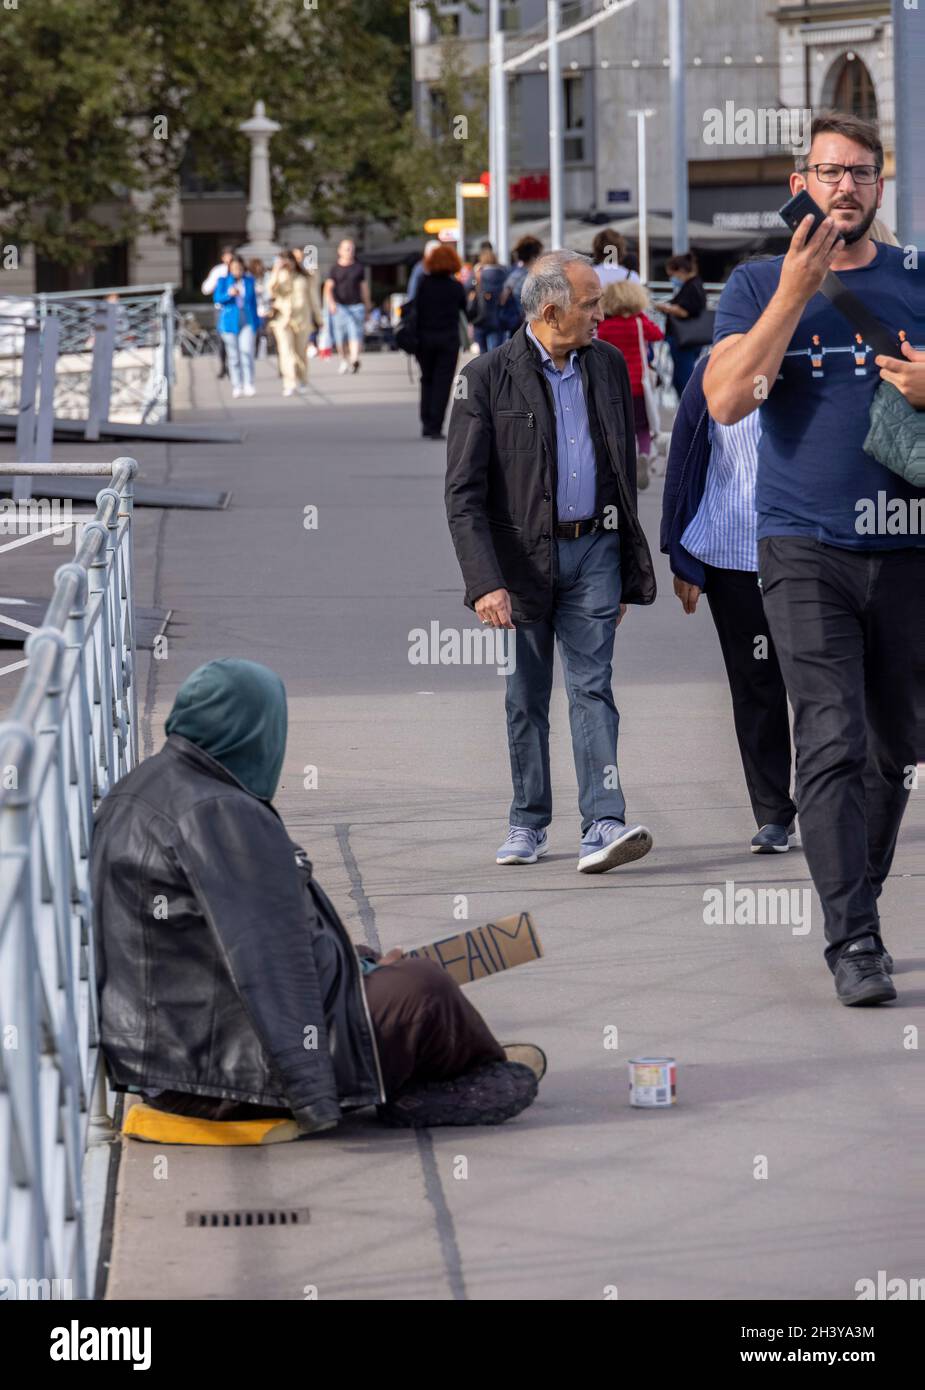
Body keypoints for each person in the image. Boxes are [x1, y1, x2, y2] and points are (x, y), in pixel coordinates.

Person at [90, 659, 544, 1132]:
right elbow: (265, 965)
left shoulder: (144, 786)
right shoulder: (221, 811)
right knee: (425, 989)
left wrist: (352, 963)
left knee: (387, 967)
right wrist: (311, 1095)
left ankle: (423, 1056)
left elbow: (237, 941)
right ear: (255, 732)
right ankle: (467, 1075)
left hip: (168, 1065)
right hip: (226, 1081)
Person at [703, 109, 925, 1006]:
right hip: (801, 545)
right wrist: (795, 292)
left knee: (893, 749)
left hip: (908, 546)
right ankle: (854, 939)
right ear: (801, 182)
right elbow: (726, 401)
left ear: (880, 185)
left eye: (861, 173)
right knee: (827, 736)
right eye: (829, 172)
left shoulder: (914, 277)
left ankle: (853, 898)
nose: (845, 186)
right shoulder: (755, 284)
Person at [446, 250, 657, 872]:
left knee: (593, 686)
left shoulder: (608, 364)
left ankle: (604, 821)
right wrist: (485, 581)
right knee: (525, 695)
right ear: (550, 311)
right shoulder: (485, 377)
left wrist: (620, 562)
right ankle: (528, 822)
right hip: (520, 561)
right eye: (591, 303)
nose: (602, 312)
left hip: (595, 549)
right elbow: (462, 494)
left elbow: (621, 468)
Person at [661, 354, 798, 853]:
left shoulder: (821, 357)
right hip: (733, 556)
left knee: (823, 687)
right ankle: (773, 813)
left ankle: (829, 799)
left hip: (815, 558)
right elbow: (685, 457)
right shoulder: (715, 367)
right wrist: (682, 555)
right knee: (756, 686)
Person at [596, 278, 664, 490]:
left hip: (613, 386)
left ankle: (623, 467)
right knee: (642, 428)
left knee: (618, 429)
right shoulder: (639, 322)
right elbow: (658, 334)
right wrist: (641, 316)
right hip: (639, 387)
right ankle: (643, 455)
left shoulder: (605, 325)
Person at [411, 243, 467, 440]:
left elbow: (415, 309)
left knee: (426, 379)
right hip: (448, 340)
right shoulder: (456, 287)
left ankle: (426, 422)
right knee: (443, 382)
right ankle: (435, 425)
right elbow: (466, 310)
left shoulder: (423, 284)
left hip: (424, 339)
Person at [268, 251, 322, 397]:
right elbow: (270, 290)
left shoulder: (304, 277)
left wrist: (319, 318)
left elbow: (313, 297)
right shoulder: (279, 276)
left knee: (300, 352)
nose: (288, 264)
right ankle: (289, 382)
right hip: (283, 320)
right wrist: (276, 270)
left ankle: (303, 379)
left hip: (302, 319)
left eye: (289, 260)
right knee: (286, 351)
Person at [660, 251, 708, 397]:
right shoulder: (694, 285)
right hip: (686, 340)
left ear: (680, 271)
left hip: (684, 341)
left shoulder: (692, 287)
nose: (672, 279)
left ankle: (689, 413)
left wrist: (666, 308)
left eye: (672, 274)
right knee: (681, 377)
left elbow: (685, 311)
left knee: (683, 379)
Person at [323, 239, 371, 375]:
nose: (349, 251)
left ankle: (355, 358)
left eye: (351, 249)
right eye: (347, 248)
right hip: (340, 308)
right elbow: (328, 288)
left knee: (355, 333)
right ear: (340, 251)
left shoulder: (358, 268)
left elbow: (364, 288)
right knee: (341, 337)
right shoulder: (334, 269)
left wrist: (367, 306)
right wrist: (331, 304)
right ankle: (344, 359)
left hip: (356, 306)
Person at [213, 255, 259, 398]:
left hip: (247, 320)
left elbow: (253, 302)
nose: (237, 271)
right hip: (229, 321)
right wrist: (229, 294)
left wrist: (257, 322)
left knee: (246, 352)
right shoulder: (224, 281)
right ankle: (237, 384)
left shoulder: (249, 281)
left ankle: (248, 383)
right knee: (233, 356)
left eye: (239, 268)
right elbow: (217, 298)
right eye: (234, 268)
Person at [201, 244, 235, 379]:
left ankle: (234, 367)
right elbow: (206, 289)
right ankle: (223, 366)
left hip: (235, 309)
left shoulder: (238, 270)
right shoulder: (218, 271)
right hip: (221, 309)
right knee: (222, 339)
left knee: (234, 340)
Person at [467, 247, 509, 353]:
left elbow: (467, 287)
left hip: (480, 316)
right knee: (496, 351)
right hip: (498, 317)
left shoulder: (478, 273)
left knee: (482, 352)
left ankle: (484, 369)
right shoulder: (503, 272)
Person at [499, 235, 544, 334]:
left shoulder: (512, 274)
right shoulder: (533, 277)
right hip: (528, 328)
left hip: (513, 326)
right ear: (534, 255)